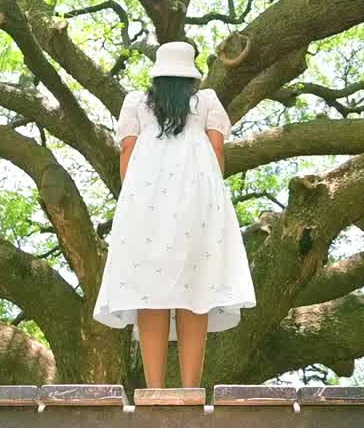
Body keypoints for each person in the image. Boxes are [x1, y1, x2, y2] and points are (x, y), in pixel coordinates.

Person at [91, 40, 257, 389]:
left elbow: (126, 152)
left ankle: (153, 390)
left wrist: (133, 202)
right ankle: (191, 389)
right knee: (195, 289)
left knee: (149, 290)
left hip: (145, 200)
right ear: (191, 77)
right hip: (198, 198)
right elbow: (216, 150)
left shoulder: (136, 103)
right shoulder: (207, 101)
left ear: (157, 76)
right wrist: (212, 196)